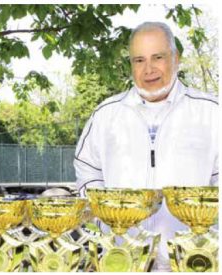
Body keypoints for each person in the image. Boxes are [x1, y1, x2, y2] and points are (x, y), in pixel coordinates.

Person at [74, 21, 218, 272]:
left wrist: (205, 235)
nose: (149, 69)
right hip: (121, 260)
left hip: (193, 262)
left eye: (158, 57)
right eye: (139, 60)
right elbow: (87, 170)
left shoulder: (212, 112)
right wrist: (108, 220)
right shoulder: (106, 114)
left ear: (176, 58)